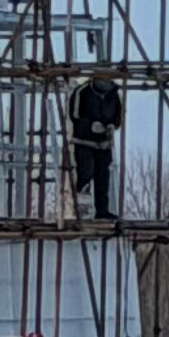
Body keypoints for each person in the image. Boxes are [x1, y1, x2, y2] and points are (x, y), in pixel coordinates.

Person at [63, 70, 120, 223]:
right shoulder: (82, 92)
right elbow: (74, 116)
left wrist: (111, 126)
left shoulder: (114, 94)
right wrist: (90, 126)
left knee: (102, 177)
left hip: (103, 144)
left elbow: (117, 117)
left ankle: (102, 211)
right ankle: (80, 209)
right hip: (84, 142)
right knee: (85, 173)